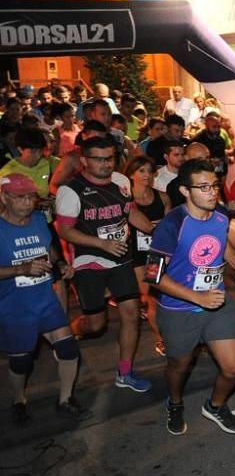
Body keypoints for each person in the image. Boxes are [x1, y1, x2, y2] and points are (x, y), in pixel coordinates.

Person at [149, 159, 235, 435]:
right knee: (178, 365)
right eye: (203, 187)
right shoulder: (172, 224)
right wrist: (197, 297)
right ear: (185, 191)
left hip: (217, 301)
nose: (212, 192)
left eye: (214, 185)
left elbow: (223, 244)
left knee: (233, 368)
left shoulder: (219, 214)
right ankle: (175, 401)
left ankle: (215, 406)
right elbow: (154, 276)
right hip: (178, 309)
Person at [54, 136, 155, 393]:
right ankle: (65, 333)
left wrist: (157, 230)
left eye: (109, 158)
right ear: (85, 161)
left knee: (131, 313)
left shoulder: (121, 182)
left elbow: (130, 212)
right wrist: (101, 244)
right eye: (98, 159)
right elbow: (65, 230)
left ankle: (125, 372)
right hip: (90, 260)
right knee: (96, 324)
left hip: (121, 257)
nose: (105, 164)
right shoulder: (71, 190)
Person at [0, 174, 86, 423]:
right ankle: (18, 400)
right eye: (20, 197)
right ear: (5, 197)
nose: (27, 203)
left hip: (44, 300)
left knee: (69, 349)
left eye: (31, 197)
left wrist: (60, 264)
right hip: (13, 307)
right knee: (22, 363)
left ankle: (65, 399)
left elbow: (48, 247)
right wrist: (20, 269)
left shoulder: (39, 219)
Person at [124, 155, 168, 357]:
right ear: (131, 174)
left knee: (156, 296)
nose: (146, 175)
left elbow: (170, 228)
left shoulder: (163, 197)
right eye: (141, 171)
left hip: (157, 253)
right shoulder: (124, 198)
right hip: (136, 254)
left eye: (150, 171)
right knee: (150, 297)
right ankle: (162, 338)